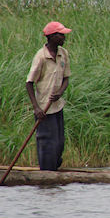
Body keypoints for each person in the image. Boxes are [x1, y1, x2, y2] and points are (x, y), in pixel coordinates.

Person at [26, 21, 72, 171]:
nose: (64, 38)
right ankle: (46, 174)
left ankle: (54, 171)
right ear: (51, 37)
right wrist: (36, 108)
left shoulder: (63, 53)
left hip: (57, 106)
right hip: (44, 109)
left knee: (59, 143)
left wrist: (60, 93)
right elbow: (29, 83)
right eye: (61, 35)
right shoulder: (41, 57)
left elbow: (66, 78)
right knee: (47, 143)